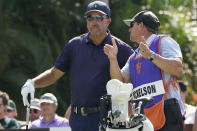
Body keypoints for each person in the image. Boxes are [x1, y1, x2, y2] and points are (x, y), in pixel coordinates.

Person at [21, 1, 133, 131]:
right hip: (77, 118)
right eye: (90, 17)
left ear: (108, 21)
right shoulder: (74, 45)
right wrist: (32, 83)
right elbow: (53, 74)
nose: (94, 21)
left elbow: (133, 80)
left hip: (107, 117)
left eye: (99, 17)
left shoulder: (122, 49)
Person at [104, 10, 184, 131]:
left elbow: (178, 69)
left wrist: (151, 56)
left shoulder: (163, 41)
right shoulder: (133, 57)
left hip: (167, 110)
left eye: (132, 25)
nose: (129, 30)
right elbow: (119, 83)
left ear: (141, 25)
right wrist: (113, 59)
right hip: (143, 115)